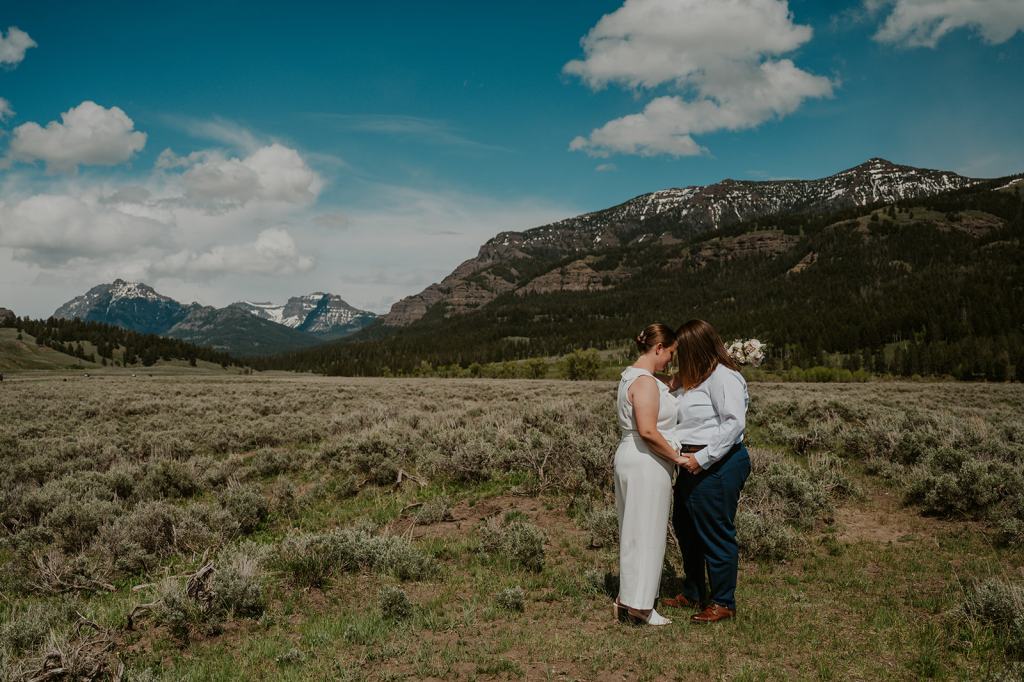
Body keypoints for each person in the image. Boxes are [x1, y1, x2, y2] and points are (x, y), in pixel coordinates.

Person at [663, 319, 751, 624]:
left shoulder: (724, 378)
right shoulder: (694, 379)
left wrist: (702, 458)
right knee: (686, 527)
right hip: (690, 462)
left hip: (719, 462)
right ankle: (694, 590)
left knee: (714, 529)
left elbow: (733, 423)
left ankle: (723, 601)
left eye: (680, 350)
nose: (676, 356)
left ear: (695, 349)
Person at [612, 323, 690, 626]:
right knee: (646, 533)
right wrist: (676, 458)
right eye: (670, 353)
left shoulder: (633, 376)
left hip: (633, 458)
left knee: (634, 531)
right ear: (658, 348)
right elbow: (647, 430)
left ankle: (628, 599)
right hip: (647, 461)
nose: (671, 359)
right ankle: (640, 608)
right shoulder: (644, 382)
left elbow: (670, 382)